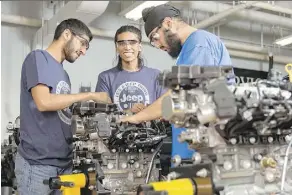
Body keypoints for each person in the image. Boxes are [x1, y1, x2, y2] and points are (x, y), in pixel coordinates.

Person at [119, 5, 235, 161]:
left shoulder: (199, 43)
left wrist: (137, 118)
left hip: (206, 153)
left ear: (168, 23)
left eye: (155, 37)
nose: (158, 45)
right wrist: (159, 114)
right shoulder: (188, 51)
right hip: (190, 152)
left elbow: (180, 93)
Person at [15, 18, 111, 195]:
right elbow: (44, 102)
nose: (83, 51)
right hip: (38, 164)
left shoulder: (63, 73)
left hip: (63, 163)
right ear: (67, 34)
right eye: (83, 44)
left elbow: (62, 113)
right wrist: (89, 94)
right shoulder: (38, 58)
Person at [95, 25, 167, 113]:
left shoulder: (156, 75)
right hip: (118, 127)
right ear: (117, 47)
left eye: (132, 42)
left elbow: (165, 110)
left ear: (140, 46)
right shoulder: (105, 77)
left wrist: (148, 112)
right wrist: (129, 112)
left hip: (151, 127)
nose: (127, 47)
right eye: (122, 43)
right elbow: (102, 115)